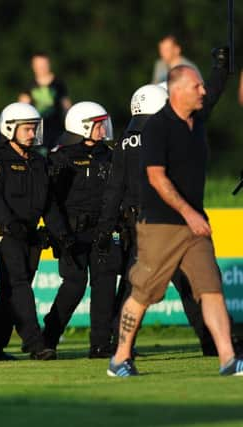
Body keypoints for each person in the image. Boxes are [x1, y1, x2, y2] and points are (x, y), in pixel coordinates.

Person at [108, 49, 243, 377]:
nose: (202, 91)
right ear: (178, 91)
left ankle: (228, 358)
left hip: (193, 225)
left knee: (210, 290)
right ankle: (119, 358)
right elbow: (157, 177)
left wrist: (220, 69)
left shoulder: (195, 122)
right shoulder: (156, 128)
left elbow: (213, 92)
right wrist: (189, 212)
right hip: (161, 224)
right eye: (196, 86)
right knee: (143, 293)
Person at [97, 84, 218, 356]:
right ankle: (213, 342)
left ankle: (120, 346)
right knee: (191, 285)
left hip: (137, 223)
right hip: (168, 222)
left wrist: (105, 228)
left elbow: (114, 189)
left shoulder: (125, 142)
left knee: (135, 288)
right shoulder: (163, 139)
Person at [0, 102, 66, 361]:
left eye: (34, 128)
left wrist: (61, 234)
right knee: (18, 284)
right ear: (10, 129)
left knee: (13, 290)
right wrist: (8, 223)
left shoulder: (39, 162)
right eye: (26, 129)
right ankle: (34, 342)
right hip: (6, 232)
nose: (32, 134)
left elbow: (49, 203)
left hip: (31, 234)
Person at [41, 101, 118, 359]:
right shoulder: (60, 158)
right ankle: (48, 339)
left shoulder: (109, 155)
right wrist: (60, 234)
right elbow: (50, 200)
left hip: (102, 230)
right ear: (82, 126)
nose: (102, 129)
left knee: (105, 283)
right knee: (74, 285)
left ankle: (100, 344)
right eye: (97, 124)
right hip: (71, 232)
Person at [19, 52, 71, 151]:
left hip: (56, 129)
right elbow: (22, 108)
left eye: (43, 65)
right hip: (36, 130)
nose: (40, 68)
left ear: (49, 65)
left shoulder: (58, 84)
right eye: (38, 65)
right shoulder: (30, 85)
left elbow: (66, 106)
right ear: (33, 66)